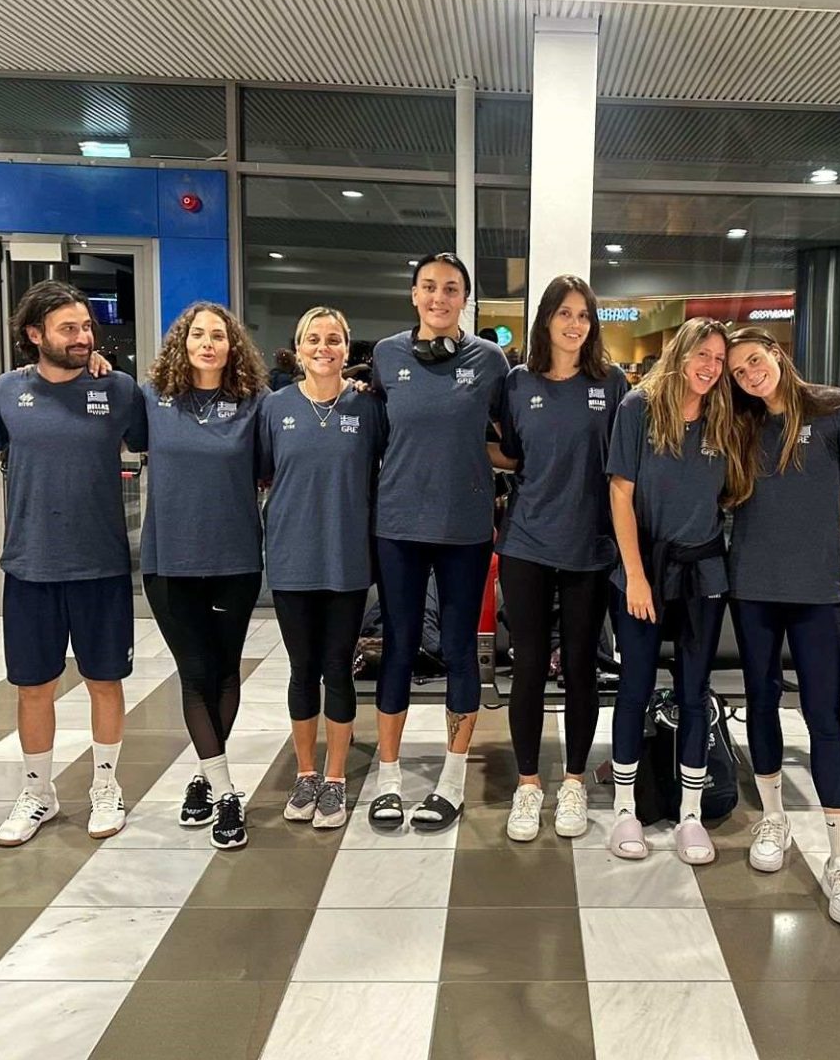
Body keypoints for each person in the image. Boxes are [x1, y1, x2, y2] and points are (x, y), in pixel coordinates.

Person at [724, 326, 840, 925]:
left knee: (825, 717)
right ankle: (773, 818)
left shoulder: (834, 408)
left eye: (755, 361)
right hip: (752, 587)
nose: (750, 375)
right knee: (761, 702)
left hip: (818, 592)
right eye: (738, 372)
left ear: (777, 353)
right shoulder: (738, 423)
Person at [0, 280, 148, 846]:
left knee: (105, 680)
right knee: (34, 687)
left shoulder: (118, 388)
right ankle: (38, 792)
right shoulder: (5, 392)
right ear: (35, 335)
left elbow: (150, 442)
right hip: (30, 566)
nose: (83, 338)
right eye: (68, 329)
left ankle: (106, 784)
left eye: (86, 327)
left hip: (101, 564)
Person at [367, 252, 509, 832]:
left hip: (464, 530)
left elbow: (510, 441)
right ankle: (389, 776)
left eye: (451, 289)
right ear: (413, 294)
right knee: (399, 645)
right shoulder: (386, 355)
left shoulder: (491, 361)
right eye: (429, 286)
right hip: (398, 526)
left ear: (464, 300)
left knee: (458, 649)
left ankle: (451, 778)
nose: (439, 297)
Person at [606, 317, 747, 865]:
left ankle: (691, 812)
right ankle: (624, 807)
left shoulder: (724, 415)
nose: (710, 367)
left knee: (694, 692)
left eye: (719, 359)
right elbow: (621, 494)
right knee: (634, 687)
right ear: (681, 353)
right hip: (643, 569)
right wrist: (636, 575)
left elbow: (735, 491)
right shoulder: (638, 408)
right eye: (702, 354)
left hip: (703, 572)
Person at [495, 275, 629, 842]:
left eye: (584, 315)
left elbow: (628, 466)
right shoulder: (516, 382)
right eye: (565, 313)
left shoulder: (612, 383)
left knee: (580, 666)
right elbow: (508, 451)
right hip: (526, 542)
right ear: (546, 318)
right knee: (527, 665)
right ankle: (528, 785)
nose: (575, 324)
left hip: (589, 546)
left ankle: (573, 780)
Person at [140, 302, 267, 850]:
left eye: (218, 335)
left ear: (232, 345)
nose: (208, 343)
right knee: (194, 672)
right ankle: (227, 791)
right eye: (198, 334)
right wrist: (94, 364)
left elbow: (272, 465)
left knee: (224, 671)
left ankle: (204, 776)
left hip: (235, 559)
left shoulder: (255, 404)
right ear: (182, 341)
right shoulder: (151, 399)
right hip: (169, 560)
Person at [263, 306, 386, 831]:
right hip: (292, 558)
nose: (323, 348)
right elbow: (264, 474)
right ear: (298, 348)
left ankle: (335, 777)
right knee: (301, 669)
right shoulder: (274, 408)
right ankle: (306, 773)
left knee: (337, 667)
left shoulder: (367, 408)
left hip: (346, 559)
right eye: (313, 338)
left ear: (346, 348)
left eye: (333, 339)